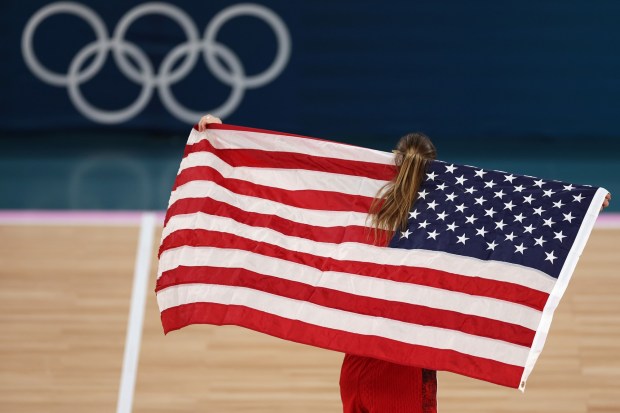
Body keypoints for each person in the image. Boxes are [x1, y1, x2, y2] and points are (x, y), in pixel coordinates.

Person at [197, 114, 611, 413]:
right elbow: (512, 213)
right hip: (403, 371)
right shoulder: (446, 225)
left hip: (358, 363)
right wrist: (583, 207)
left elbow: (292, 180)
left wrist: (217, 136)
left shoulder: (355, 210)